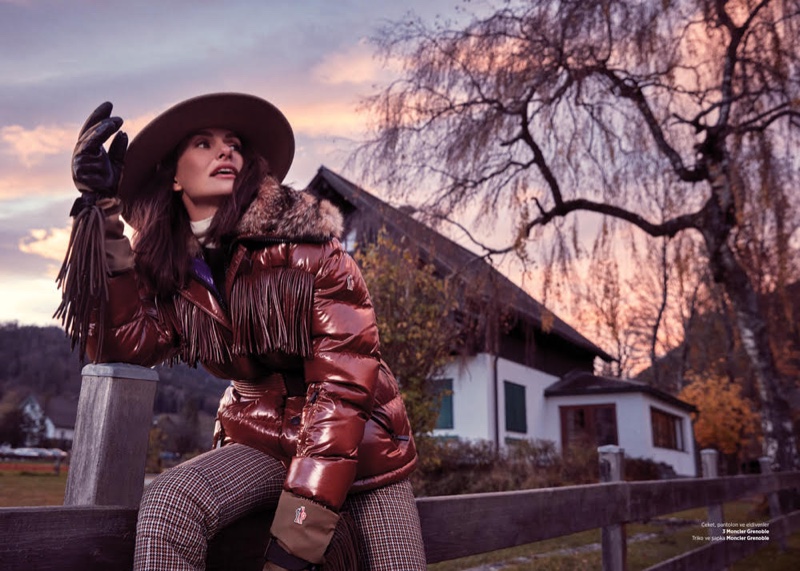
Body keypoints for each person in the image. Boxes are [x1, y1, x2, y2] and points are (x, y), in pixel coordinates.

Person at [57, 93, 426, 571]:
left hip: (360, 448)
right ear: (173, 175)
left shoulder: (311, 251)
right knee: (169, 506)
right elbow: (122, 345)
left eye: (233, 144)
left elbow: (342, 391)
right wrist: (103, 214)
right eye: (204, 143)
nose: (225, 151)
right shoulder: (173, 269)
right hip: (257, 436)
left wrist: (299, 533)